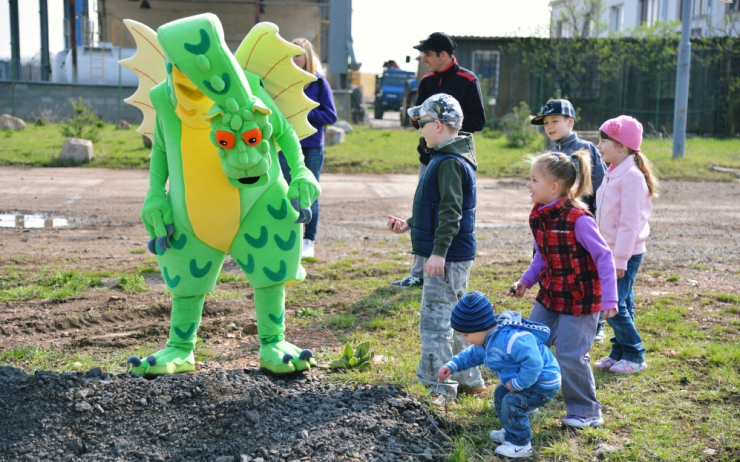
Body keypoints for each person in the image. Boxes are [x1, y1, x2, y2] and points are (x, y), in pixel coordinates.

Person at [508, 150, 618, 428]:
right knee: (531, 344)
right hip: (550, 294)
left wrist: (610, 299)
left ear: (554, 187)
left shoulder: (579, 219)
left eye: (534, 180)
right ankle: (530, 398)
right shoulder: (539, 215)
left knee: (569, 354)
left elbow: (604, 257)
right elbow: (543, 255)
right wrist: (525, 281)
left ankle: (586, 410)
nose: (528, 185)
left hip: (581, 299)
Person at [387, 93, 484, 405]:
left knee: (435, 322)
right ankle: (470, 380)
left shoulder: (449, 163)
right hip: (453, 254)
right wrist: (409, 224)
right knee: (458, 320)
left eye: (423, 123)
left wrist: (438, 252)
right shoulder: (447, 158)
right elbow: (437, 207)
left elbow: (450, 213)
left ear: (439, 125)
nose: (420, 129)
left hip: (449, 256)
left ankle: (440, 388)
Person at [391, 32, 486, 289]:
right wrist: (423, 124)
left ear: (443, 55)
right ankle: (418, 272)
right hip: (429, 155)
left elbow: (478, 120)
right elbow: (418, 119)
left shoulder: (468, 79)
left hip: (453, 155)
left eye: (428, 54)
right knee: (426, 205)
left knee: (447, 208)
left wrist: (447, 125)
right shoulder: (426, 80)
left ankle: (443, 262)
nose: (424, 59)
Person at [438, 291, 561, 459]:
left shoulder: (512, 340)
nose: (464, 338)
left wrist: (518, 384)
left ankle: (520, 444)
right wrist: (452, 365)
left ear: (479, 326)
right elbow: (471, 355)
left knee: (512, 403)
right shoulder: (486, 340)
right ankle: (511, 430)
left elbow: (534, 363)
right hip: (527, 380)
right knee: (500, 395)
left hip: (543, 382)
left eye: (465, 334)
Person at [530, 99, 609, 344]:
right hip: (552, 226)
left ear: (570, 122)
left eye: (555, 121)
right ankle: (553, 321)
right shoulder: (551, 154)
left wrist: (592, 218)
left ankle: (596, 324)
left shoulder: (584, 148)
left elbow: (600, 186)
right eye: (546, 123)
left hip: (577, 225)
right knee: (552, 268)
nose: (550, 126)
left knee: (582, 273)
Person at [592, 116, 658, 374]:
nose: (599, 146)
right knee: (623, 304)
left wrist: (620, 259)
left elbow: (629, 223)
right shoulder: (613, 171)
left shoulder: (631, 176)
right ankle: (618, 352)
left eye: (603, 141)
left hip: (625, 255)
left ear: (621, 145)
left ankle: (635, 354)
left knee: (612, 305)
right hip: (610, 252)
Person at [278, 38, 337, 258]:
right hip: (284, 145)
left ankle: (308, 241)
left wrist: (303, 112)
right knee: (284, 191)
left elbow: (330, 115)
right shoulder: (282, 81)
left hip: (311, 146)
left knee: (310, 194)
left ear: (308, 57)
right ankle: (288, 239)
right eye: (291, 54)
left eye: (299, 54)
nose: (294, 58)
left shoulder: (320, 83)